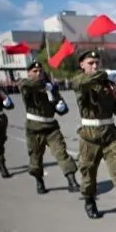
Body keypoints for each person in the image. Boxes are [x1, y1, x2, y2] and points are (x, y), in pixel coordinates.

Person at [71, 50, 116, 224]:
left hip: (109, 134)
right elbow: (79, 83)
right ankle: (89, 199)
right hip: (89, 137)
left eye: (97, 63)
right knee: (88, 173)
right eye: (91, 63)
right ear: (82, 65)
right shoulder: (80, 81)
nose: (94, 66)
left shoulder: (108, 84)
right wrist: (103, 75)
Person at [18, 60, 80, 194]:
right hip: (34, 129)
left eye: (40, 71)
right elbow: (23, 84)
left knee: (62, 153)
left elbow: (63, 109)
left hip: (51, 127)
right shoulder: (26, 86)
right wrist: (44, 86)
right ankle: (39, 181)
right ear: (29, 73)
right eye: (35, 71)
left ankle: (72, 181)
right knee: (35, 157)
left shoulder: (50, 88)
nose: (38, 73)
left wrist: (61, 106)